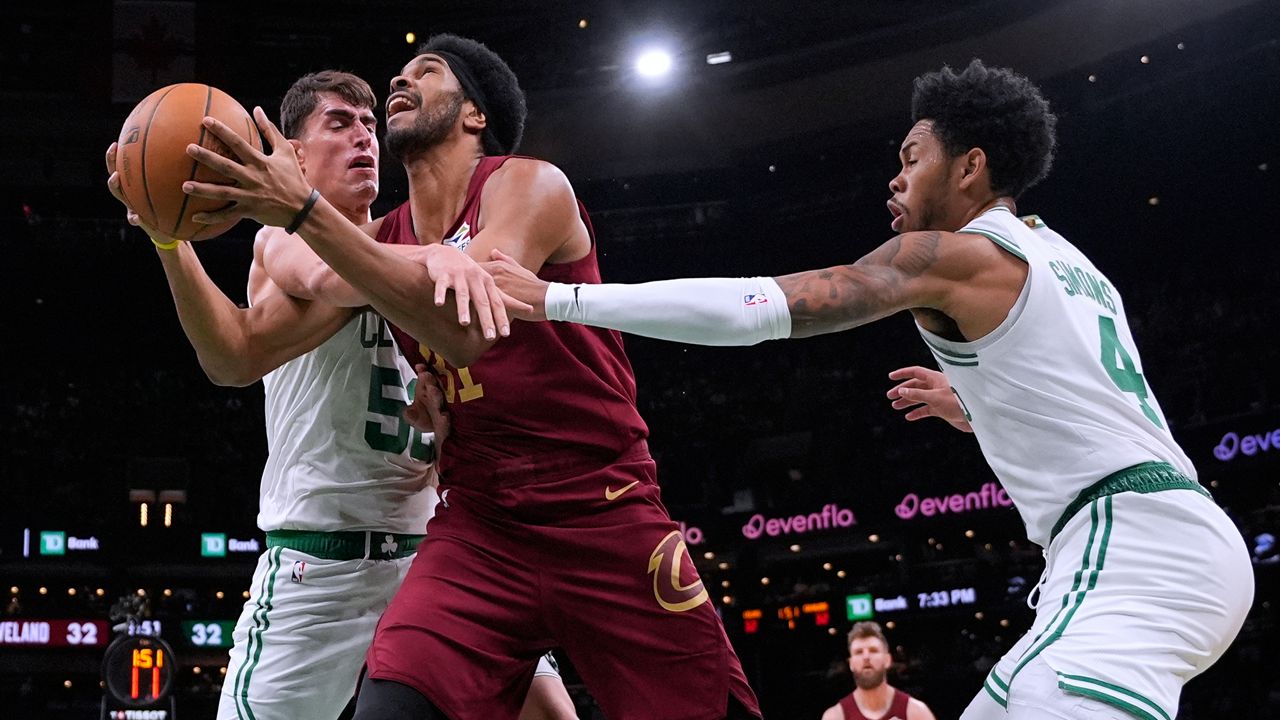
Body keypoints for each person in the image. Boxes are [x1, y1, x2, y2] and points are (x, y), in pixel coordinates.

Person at [484, 59, 1254, 720]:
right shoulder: (1069, 261)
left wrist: (557, 300)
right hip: (1158, 533)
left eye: (913, 156)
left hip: (1133, 548)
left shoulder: (955, 257)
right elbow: (1092, 399)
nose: (896, 174)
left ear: (970, 166)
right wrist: (979, 404)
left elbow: (758, 308)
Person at [179, 35, 761, 720]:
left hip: (598, 505)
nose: (396, 82)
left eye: (424, 73)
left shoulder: (528, 184)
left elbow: (462, 329)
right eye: (344, 121)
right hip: (472, 526)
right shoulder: (372, 244)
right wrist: (188, 236)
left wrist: (406, 256)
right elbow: (261, 332)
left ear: (474, 114)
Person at [105, 70, 574, 720]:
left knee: (550, 712)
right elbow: (285, 314)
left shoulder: (407, 241)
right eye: (339, 122)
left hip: (430, 557)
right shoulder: (285, 240)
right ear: (292, 156)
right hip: (319, 570)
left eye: (368, 122)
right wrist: (169, 239)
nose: (365, 136)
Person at [821, 622, 935, 720]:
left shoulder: (916, 712)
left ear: (887, 660)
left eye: (873, 650)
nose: (866, 657)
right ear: (851, 663)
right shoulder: (835, 716)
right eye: (859, 652)